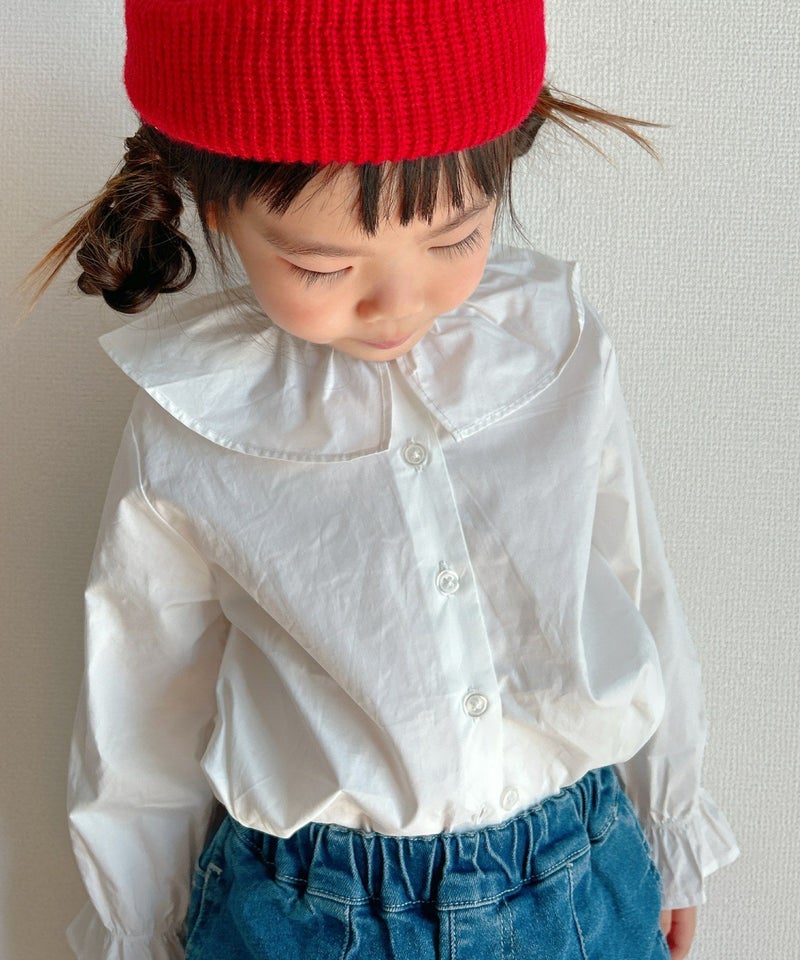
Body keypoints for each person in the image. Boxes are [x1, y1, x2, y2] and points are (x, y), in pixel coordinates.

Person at [30, 1, 739, 958]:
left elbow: (632, 580)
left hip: (582, 879)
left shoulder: (553, 345)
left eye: (454, 239)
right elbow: (143, 697)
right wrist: (139, 921)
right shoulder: (192, 417)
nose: (397, 304)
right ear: (214, 205)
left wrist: (673, 822)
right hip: (304, 915)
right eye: (323, 266)